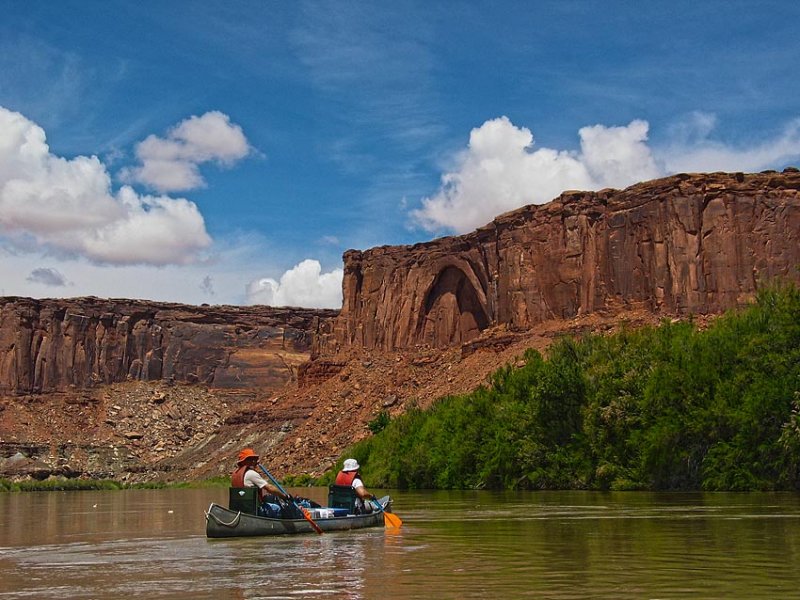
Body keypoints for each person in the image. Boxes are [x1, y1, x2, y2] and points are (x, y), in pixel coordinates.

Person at [231, 448, 296, 518]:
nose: (253, 461)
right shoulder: (251, 474)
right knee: (277, 508)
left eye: (254, 459)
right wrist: (284, 496)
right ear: (243, 462)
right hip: (254, 510)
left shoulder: (235, 474)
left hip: (241, 509)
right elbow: (269, 488)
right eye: (250, 459)